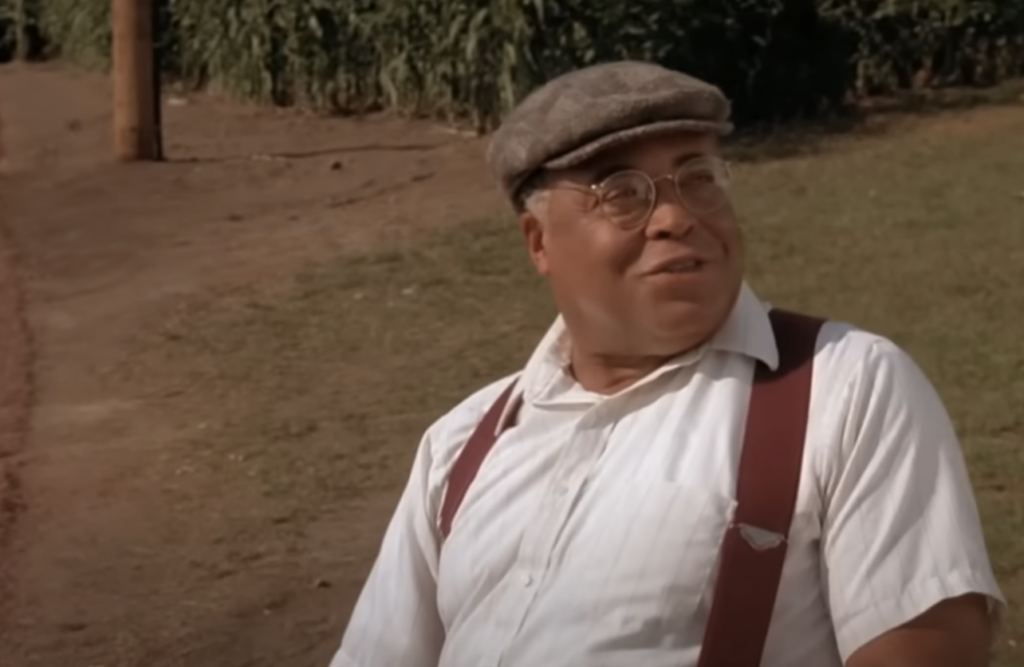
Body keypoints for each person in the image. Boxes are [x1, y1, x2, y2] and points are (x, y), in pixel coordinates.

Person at [329, 61, 1004, 667]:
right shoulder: (459, 446)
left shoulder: (845, 385)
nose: (676, 215)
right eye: (621, 192)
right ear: (539, 242)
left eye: (698, 177)